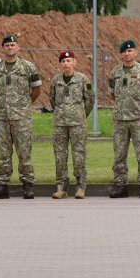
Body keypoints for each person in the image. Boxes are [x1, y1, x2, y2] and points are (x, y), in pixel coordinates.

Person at [0, 35, 42, 200]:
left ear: (18, 47)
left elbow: (36, 90)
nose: (10, 47)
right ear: (3, 48)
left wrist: (24, 105)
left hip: (21, 117)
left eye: (12, 45)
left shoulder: (28, 67)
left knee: (24, 152)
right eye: (7, 45)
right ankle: (2, 187)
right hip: (2, 117)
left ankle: (28, 186)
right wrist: (2, 105)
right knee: (3, 153)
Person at [107, 40, 140, 198]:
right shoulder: (115, 73)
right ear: (121, 54)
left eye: (130, 51)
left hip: (138, 119)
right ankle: (120, 184)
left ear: (136, 52)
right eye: (124, 52)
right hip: (120, 120)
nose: (127, 54)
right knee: (119, 155)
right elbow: (112, 94)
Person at [48, 51, 94, 199]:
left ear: (74, 62)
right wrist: (61, 113)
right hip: (60, 124)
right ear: (60, 64)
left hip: (77, 124)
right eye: (63, 61)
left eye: (69, 60)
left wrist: (80, 114)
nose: (66, 63)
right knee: (60, 156)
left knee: (78, 155)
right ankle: (61, 187)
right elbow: (52, 99)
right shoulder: (56, 80)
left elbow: (89, 100)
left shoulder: (82, 79)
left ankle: (80, 186)